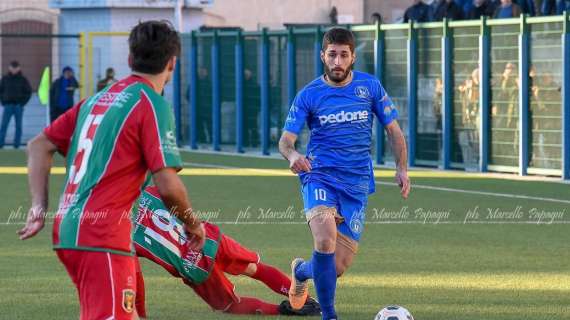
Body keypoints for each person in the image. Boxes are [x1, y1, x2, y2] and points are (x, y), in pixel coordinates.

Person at [18, 21, 206, 320]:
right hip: (101, 234)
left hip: (71, 229)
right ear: (172, 63)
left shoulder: (96, 99)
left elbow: (39, 144)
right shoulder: (151, 104)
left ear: (130, 59)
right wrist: (193, 224)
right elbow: (168, 185)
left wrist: (39, 207)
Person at [279, 27, 411, 320]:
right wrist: (293, 154)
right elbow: (285, 140)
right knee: (324, 239)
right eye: (332, 55)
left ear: (352, 57)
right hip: (319, 176)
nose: (337, 61)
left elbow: (394, 131)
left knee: (335, 267)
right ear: (323, 56)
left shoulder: (370, 87)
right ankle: (330, 315)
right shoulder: (309, 94)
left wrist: (402, 169)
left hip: (356, 184)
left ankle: (301, 270)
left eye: (343, 55)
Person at [133, 185, 321, 317]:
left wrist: (139, 314)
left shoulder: (119, 235)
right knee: (254, 269)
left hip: (192, 266)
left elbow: (135, 276)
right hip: (208, 238)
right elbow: (172, 185)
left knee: (231, 305)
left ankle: (284, 310)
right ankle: (309, 301)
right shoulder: (147, 191)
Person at [0, 61, 31, 149]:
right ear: (9, 68)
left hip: (18, 106)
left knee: (18, 126)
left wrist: (22, 103)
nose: (14, 69)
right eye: (12, 67)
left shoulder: (23, 79)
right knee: (4, 125)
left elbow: (28, 92)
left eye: (15, 67)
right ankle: (0, 144)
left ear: (19, 68)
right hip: (8, 106)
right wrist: (3, 102)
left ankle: (16, 145)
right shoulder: (5, 79)